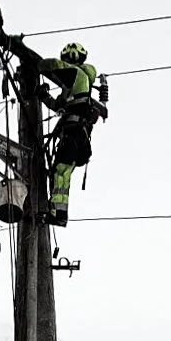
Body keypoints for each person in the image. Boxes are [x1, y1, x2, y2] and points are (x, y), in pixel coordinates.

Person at [42, 42, 107, 226]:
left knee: (61, 172)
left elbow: (56, 65)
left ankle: (58, 214)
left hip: (75, 136)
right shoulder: (72, 89)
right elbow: (58, 105)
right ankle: (57, 211)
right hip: (75, 137)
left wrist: (36, 65)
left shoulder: (79, 76)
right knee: (59, 172)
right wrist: (44, 97)